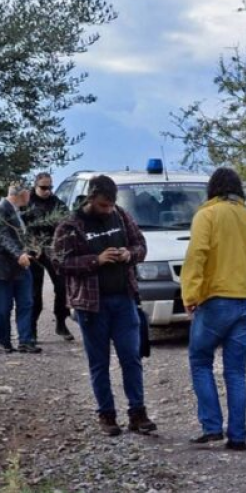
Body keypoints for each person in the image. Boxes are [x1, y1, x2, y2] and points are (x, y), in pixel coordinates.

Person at [54, 175, 157, 437]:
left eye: (111, 205)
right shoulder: (70, 225)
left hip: (124, 299)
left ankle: (137, 413)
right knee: (99, 362)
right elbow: (61, 263)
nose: (107, 210)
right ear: (91, 198)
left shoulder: (121, 216)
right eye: (102, 206)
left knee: (131, 358)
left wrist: (128, 255)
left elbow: (141, 246)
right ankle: (107, 415)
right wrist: (95, 260)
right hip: (91, 305)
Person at [181, 167, 246, 452]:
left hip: (215, 300)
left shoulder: (206, 216)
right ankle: (238, 436)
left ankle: (211, 428)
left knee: (200, 360)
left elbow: (197, 255)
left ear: (213, 190)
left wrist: (191, 294)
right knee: (235, 371)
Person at [0, 184, 39, 354]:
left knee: (26, 303)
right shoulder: (0, 210)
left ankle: (26, 341)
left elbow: (20, 235)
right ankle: (5, 341)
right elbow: (3, 237)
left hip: (21, 267)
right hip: (3, 268)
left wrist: (31, 249)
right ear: (22, 194)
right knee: (4, 306)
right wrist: (18, 254)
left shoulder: (16, 210)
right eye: (28, 194)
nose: (30, 197)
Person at [23, 172, 73, 341]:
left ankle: (61, 322)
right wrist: (29, 245)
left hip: (52, 250)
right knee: (34, 292)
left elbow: (67, 221)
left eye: (50, 187)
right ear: (35, 186)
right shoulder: (27, 202)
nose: (47, 191)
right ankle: (32, 328)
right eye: (43, 187)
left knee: (62, 286)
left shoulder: (56, 203)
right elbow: (20, 225)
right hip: (33, 251)